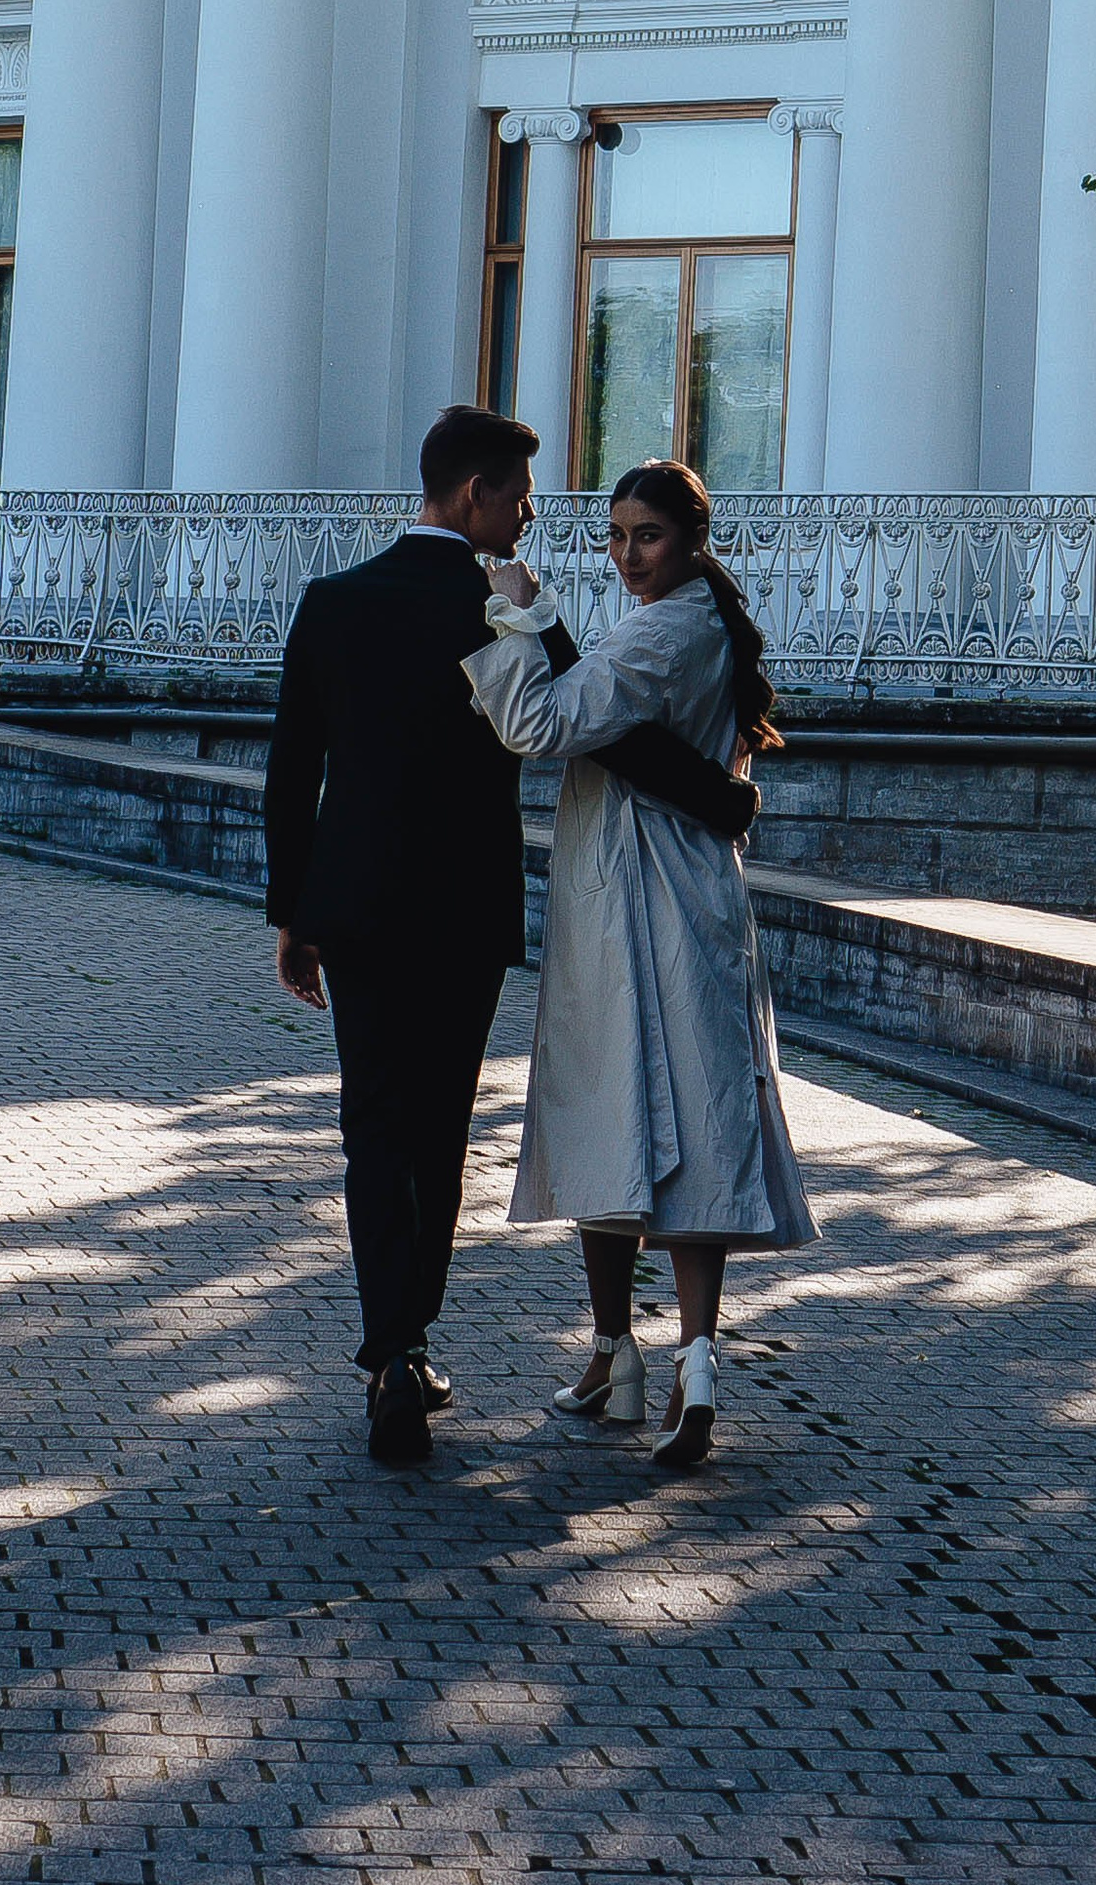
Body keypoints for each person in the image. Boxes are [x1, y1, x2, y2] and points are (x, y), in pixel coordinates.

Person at [265, 407, 762, 1468]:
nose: (533, 517)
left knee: (372, 1128)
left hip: (355, 908)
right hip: (464, 913)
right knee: (438, 1131)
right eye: (523, 497)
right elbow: (609, 737)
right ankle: (416, 1341)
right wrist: (726, 800)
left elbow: (291, 769)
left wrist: (290, 913)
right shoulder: (505, 609)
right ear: (476, 495)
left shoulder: (333, 600)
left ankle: (396, 1352)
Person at [463, 458, 816, 1475]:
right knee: (675, 1117)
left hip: (638, 900)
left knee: (625, 1111)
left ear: (691, 541)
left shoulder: (665, 631)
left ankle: (643, 1355)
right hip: (679, 898)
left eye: (647, 536)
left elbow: (539, 723)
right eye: (615, 535)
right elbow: (606, 710)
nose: (626, 555)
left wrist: (517, 614)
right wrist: (547, 629)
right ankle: (658, 1361)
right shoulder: (693, 621)